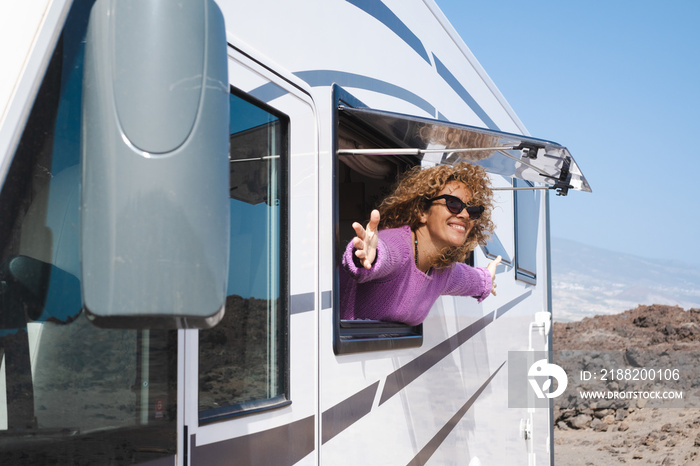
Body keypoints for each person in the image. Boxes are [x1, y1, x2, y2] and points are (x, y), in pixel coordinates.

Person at [339, 162, 501, 326]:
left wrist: (487, 278)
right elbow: (386, 253)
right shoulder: (400, 244)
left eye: (473, 210)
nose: (465, 215)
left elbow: (471, 280)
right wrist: (370, 255)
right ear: (422, 211)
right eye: (453, 204)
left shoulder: (441, 272)